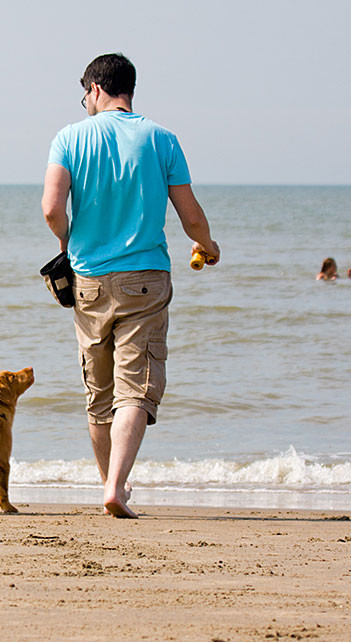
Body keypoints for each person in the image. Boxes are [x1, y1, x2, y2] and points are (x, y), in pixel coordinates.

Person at [41, 53, 219, 519]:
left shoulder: (68, 138)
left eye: (85, 94)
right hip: (145, 278)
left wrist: (67, 240)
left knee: (99, 394)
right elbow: (191, 216)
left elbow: (51, 209)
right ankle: (116, 487)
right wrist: (208, 244)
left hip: (88, 280)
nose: (84, 103)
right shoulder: (161, 139)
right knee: (135, 389)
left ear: (96, 89)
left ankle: (110, 485)